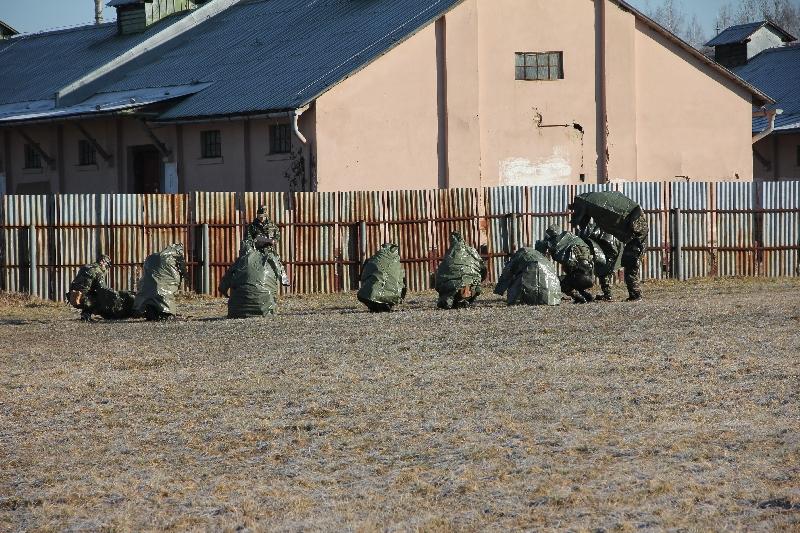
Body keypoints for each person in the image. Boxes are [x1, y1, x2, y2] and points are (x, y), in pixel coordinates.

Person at [570, 191, 649, 301]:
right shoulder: (630, 223)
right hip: (629, 242)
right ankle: (630, 294)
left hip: (631, 244)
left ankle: (635, 295)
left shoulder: (637, 228)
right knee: (627, 268)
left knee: (630, 268)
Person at [535, 224, 596, 304]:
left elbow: (540, 253)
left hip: (580, 277)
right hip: (590, 278)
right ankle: (587, 296)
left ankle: (578, 297)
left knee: (556, 281)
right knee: (571, 278)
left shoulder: (555, 242)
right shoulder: (574, 239)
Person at [220, 235, 278, 318]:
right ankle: (267, 310)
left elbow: (228, 276)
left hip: (237, 310)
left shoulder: (241, 260)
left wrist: (223, 290)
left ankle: (239, 311)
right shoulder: (269, 259)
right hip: (264, 305)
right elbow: (281, 275)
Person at [133, 243, 187, 321]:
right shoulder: (170, 258)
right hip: (162, 291)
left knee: (151, 297)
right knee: (163, 294)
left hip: (146, 290)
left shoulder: (151, 258)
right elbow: (178, 274)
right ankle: (166, 313)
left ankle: (152, 313)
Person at [435, 232, 487, 309]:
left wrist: (439, 286)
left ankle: (448, 300)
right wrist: (480, 279)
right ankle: (466, 300)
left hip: (451, 286)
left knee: (449, 288)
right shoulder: (472, 251)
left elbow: (440, 273)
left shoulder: (449, 254)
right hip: (471, 283)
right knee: (473, 284)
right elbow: (482, 267)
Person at [494, 247, 561, 306]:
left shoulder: (519, 256)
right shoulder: (544, 260)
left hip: (524, 298)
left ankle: (521, 299)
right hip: (550, 299)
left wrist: (499, 290)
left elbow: (507, 273)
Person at [242, 205, 289, 287]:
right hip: (257, 251)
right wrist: (255, 241)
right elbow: (247, 239)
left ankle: (284, 281)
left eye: (262, 216)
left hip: (269, 250)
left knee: (277, 264)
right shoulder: (252, 226)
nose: (261, 218)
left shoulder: (272, 225)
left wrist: (274, 240)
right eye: (259, 216)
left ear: (266, 215)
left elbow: (277, 235)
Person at [357, 243, 407, 312]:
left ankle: (375, 307)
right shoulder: (397, 265)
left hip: (372, 295)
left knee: (363, 294)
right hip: (393, 296)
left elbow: (362, 277)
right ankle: (386, 305)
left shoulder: (373, 260)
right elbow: (403, 283)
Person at [580, 222, 623, 301]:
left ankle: (608, 295)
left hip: (611, 252)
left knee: (604, 273)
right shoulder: (602, 231)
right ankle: (607, 294)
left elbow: (612, 248)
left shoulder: (603, 234)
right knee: (603, 272)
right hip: (611, 251)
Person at [67, 254, 111, 321]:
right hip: (83, 298)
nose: (106, 268)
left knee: (89, 292)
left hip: (72, 296)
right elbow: (102, 288)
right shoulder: (98, 271)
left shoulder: (86, 267)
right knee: (103, 296)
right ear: (102, 261)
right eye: (106, 265)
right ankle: (87, 315)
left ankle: (85, 315)